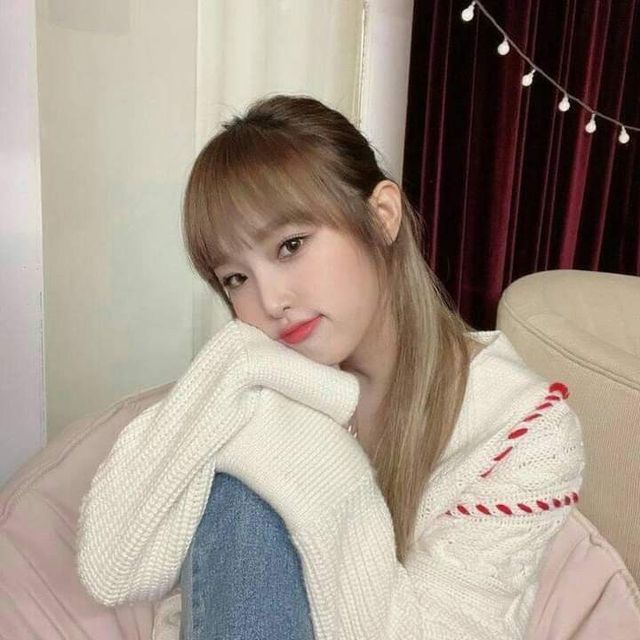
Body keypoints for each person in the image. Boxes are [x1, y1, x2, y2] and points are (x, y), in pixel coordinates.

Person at [177, 93, 584, 639]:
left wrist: (317, 480)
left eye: (290, 245)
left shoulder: (523, 431)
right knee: (242, 486)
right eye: (235, 278)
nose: (270, 301)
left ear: (381, 215)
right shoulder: (269, 382)